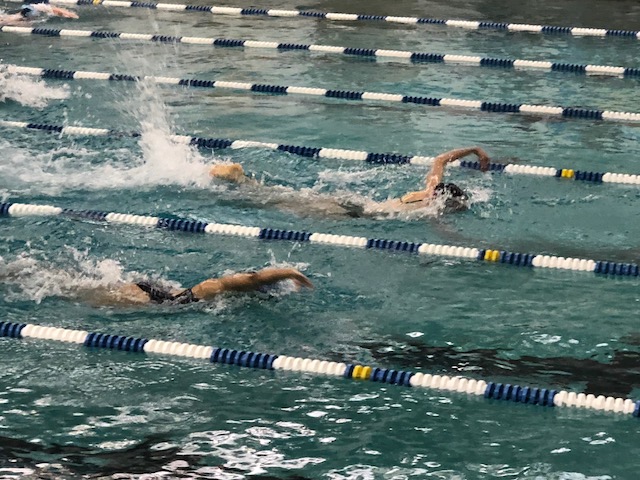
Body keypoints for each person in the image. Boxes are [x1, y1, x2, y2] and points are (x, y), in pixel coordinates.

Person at [209, 147, 491, 217]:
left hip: (357, 204)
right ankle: (241, 182)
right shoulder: (431, 207)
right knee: (282, 204)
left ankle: (243, 180)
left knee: (290, 197)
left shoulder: (429, 189)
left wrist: (475, 150)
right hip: (355, 214)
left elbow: (441, 159)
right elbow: (444, 234)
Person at [99, 267, 314, 306]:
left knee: (81, 290)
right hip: (168, 300)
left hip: (163, 294)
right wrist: (288, 272)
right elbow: (252, 279)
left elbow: (254, 279)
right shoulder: (210, 288)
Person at [0, 0, 78, 25]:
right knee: (15, 20)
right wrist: (72, 15)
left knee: (13, 19)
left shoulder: (35, 5)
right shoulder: (44, 6)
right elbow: (71, 15)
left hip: (27, 8)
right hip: (32, 10)